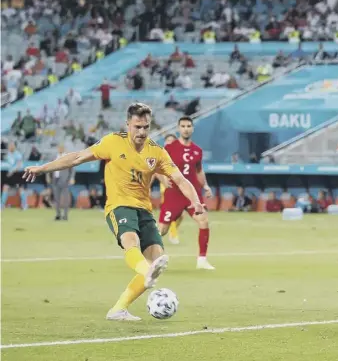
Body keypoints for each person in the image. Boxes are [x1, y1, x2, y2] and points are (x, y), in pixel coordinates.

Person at [22, 103, 204, 321]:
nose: (142, 132)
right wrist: (42, 168)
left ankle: (118, 309)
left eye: (146, 127)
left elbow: (180, 179)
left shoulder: (156, 151)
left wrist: (196, 201)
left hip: (144, 210)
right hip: (118, 206)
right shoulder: (112, 142)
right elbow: (77, 157)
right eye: (137, 127)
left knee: (157, 258)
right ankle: (146, 273)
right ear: (128, 125)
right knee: (131, 241)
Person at [156, 116, 214, 271]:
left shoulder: (197, 150)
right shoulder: (169, 148)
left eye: (189, 125)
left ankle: (202, 260)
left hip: (192, 195)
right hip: (174, 194)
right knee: (161, 230)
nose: (186, 128)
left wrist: (206, 186)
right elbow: (157, 168)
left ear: (192, 128)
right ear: (178, 128)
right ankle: (145, 254)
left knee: (204, 222)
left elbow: (199, 171)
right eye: (183, 126)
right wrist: (162, 180)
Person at [158, 134, 182, 244]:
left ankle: (164, 231)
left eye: (172, 141)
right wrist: (163, 180)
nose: (169, 143)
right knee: (170, 212)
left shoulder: (178, 155)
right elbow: (156, 169)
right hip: (167, 187)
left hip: (179, 188)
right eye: (168, 140)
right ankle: (173, 235)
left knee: (181, 215)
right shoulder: (161, 154)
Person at [49, 145, 74, 221]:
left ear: (64, 149)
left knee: (65, 199)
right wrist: (48, 176)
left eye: (61, 148)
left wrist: (72, 178)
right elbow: (50, 166)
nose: (60, 149)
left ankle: (65, 215)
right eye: (59, 148)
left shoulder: (67, 157)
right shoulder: (54, 157)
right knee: (56, 199)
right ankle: (58, 214)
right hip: (55, 179)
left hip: (64, 180)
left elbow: (72, 169)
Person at [1, 142, 27, 210]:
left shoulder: (18, 154)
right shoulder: (8, 154)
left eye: (11, 146)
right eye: (9, 146)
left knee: (20, 188)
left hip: (17, 173)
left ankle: (24, 204)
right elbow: (8, 163)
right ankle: (2, 205)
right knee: (5, 187)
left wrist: (12, 171)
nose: (9, 147)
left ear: (14, 147)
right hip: (10, 173)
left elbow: (19, 165)